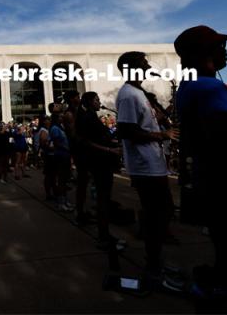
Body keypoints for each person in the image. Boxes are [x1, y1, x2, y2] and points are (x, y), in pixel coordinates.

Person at [174, 25, 227, 297]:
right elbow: (221, 135)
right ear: (202, 54)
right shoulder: (210, 88)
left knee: (220, 233)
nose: (225, 51)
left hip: (207, 174)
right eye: (219, 46)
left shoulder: (189, 86)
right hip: (221, 174)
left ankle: (220, 275)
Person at [116, 51, 179, 284]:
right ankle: (153, 266)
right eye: (143, 63)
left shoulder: (139, 93)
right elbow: (126, 131)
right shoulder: (128, 95)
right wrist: (162, 134)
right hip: (144, 166)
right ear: (130, 68)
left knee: (163, 212)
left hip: (154, 163)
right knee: (156, 215)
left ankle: (157, 261)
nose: (147, 66)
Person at [76, 92, 122, 249]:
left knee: (105, 198)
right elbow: (87, 142)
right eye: (96, 99)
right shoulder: (87, 118)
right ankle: (103, 235)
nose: (99, 102)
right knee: (103, 198)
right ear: (89, 101)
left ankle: (105, 233)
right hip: (99, 162)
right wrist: (110, 150)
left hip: (103, 161)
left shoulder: (92, 116)